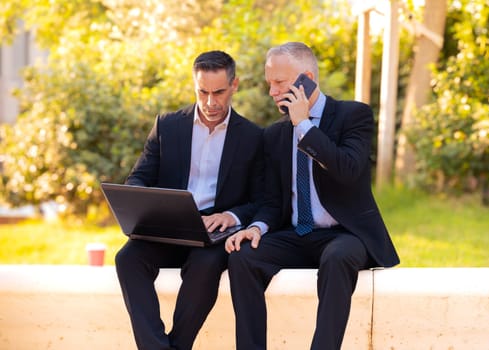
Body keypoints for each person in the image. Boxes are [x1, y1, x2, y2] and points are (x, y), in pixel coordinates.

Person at [225, 42, 400, 350]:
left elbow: (347, 169)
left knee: (337, 259)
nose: (272, 91)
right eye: (270, 84)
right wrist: (256, 228)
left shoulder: (352, 116)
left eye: (279, 82)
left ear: (306, 78)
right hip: (295, 234)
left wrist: (303, 124)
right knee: (243, 257)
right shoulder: (274, 134)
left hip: (344, 234)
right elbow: (272, 201)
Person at [115, 50, 263, 350]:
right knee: (127, 258)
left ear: (234, 86)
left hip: (215, 233)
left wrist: (231, 216)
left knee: (205, 266)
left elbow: (261, 199)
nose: (210, 102)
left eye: (219, 92)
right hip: (170, 225)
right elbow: (139, 177)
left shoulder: (252, 136)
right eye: (203, 92)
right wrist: (150, 204)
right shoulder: (167, 126)